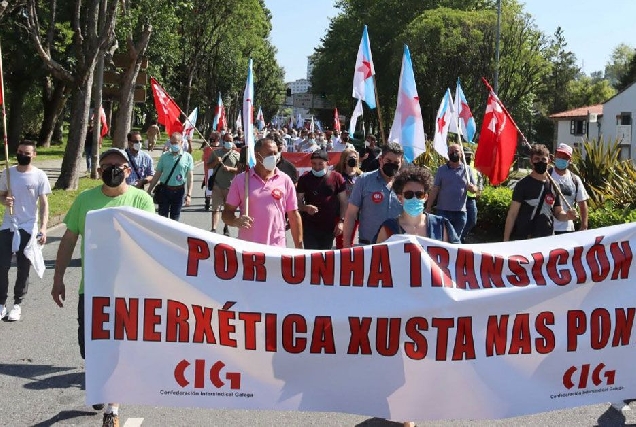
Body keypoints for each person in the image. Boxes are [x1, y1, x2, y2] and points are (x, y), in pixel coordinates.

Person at [52, 148, 155, 427]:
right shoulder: (85, 200)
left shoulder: (141, 200)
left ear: (128, 170)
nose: (112, 169)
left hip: (128, 291)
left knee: (117, 348)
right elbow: (69, 239)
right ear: (98, 172)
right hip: (92, 289)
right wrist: (58, 276)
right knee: (90, 347)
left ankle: (112, 407)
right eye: (106, 165)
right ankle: (99, 382)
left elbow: (152, 242)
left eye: (118, 165)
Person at [0, 140, 50, 321]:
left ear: (34, 155)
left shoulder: (39, 176)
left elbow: (44, 204)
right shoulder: (7, 173)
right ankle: (1, 303)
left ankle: (17, 304)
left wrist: (43, 228)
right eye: (20, 151)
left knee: (23, 267)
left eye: (27, 153)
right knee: (2, 266)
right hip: (8, 225)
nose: (23, 155)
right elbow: (1, 195)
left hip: (28, 227)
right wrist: (5, 201)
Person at [223, 137, 303, 248]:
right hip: (248, 248)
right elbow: (226, 214)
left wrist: (299, 247)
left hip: (277, 247)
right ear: (257, 155)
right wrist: (236, 221)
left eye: (276, 153)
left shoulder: (285, 180)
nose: (274, 157)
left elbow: (294, 216)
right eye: (270, 153)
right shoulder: (241, 180)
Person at [503, 143, 577, 241]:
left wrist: (568, 216)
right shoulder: (523, 185)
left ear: (549, 161)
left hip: (547, 239)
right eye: (537, 159)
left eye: (543, 159)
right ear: (531, 161)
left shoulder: (554, 185)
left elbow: (558, 213)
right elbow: (512, 214)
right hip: (524, 239)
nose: (540, 162)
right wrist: (505, 241)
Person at [375, 165, 459, 244]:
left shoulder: (440, 225)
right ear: (400, 198)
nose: (414, 198)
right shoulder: (388, 228)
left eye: (419, 194)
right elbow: (376, 257)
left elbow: (456, 254)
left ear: (425, 197)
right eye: (409, 194)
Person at [342, 142, 404, 247]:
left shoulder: (405, 185)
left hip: (397, 247)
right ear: (380, 160)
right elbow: (351, 214)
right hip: (368, 246)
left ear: (401, 163)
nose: (392, 165)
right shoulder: (364, 180)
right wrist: (346, 243)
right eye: (388, 161)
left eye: (396, 162)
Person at [296, 150, 347, 249]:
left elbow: (344, 202)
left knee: (325, 258)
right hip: (309, 227)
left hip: (329, 227)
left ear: (327, 163)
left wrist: (341, 221)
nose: (317, 167)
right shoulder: (304, 179)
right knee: (311, 257)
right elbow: (297, 202)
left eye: (320, 164)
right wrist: (305, 208)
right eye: (314, 164)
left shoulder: (337, 177)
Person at [425, 144, 478, 238]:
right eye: (451, 151)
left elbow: (476, 189)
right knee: (442, 238)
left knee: (455, 240)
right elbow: (435, 189)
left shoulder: (467, 170)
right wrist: (428, 206)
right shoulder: (441, 170)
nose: (454, 153)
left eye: (456, 151)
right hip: (443, 211)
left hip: (460, 213)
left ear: (461, 153)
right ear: (448, 153)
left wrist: (473, 188)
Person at [147, 132, 194, 221]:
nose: (173, 145)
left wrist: (189, 195)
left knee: (175, 219)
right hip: (165, 190)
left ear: (181, 143)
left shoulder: (187, 157)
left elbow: (190, 178)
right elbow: (157, 174)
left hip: (179, 192)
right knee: (162, 218)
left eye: (176, 143)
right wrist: (149, 190)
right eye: (171, 143)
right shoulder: (164, 156)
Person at [550, 143, 589, 234]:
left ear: (570, 160)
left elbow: (582, 203)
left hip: (567, 229)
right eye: (559, 156)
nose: (561, 159)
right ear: (555, 156)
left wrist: (584, 226)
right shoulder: (547, 175)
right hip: (548, 227)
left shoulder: (575, 179)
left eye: (565, 158)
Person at [206, 133, 240, 235]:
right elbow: (208, 166)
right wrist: (216, 162)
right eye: (227, 140)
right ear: (223, 141)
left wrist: (230, 169)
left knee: (227, 209)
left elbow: (240, 170)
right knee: (215, 208)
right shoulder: (216, 153)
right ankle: (214, 229)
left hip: (230, 187)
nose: (229, 142)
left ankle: (226, 227)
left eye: (231, 140)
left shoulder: (236, 155)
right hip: (217, 185)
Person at [333, 148, 362, 249]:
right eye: (350, 158)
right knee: (341, 242)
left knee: (350, 241)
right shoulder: (337, 175)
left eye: (355, 158)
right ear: (344, 160)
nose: (353, 159)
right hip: (340, 212)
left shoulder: (361, 176)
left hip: (355, 214)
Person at [461, 148, 483, 243]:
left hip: (471, 199)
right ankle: (459, 239)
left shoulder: (475, 167)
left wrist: (479, 191)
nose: (468, 157)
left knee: (472, 220)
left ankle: (460, 236)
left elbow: (480, 180)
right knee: (460, 221)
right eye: (466, 155)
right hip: (460, 199)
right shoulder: (457, 166)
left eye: (469, 155)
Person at [202, 132, 221, 211]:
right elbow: (204, 159)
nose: (210, 138)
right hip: (209, 171)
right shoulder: (207, 149)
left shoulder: (222, 148)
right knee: (209, 187)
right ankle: (207, 202)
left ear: (217, 138)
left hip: (220, 171)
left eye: (212, 137)